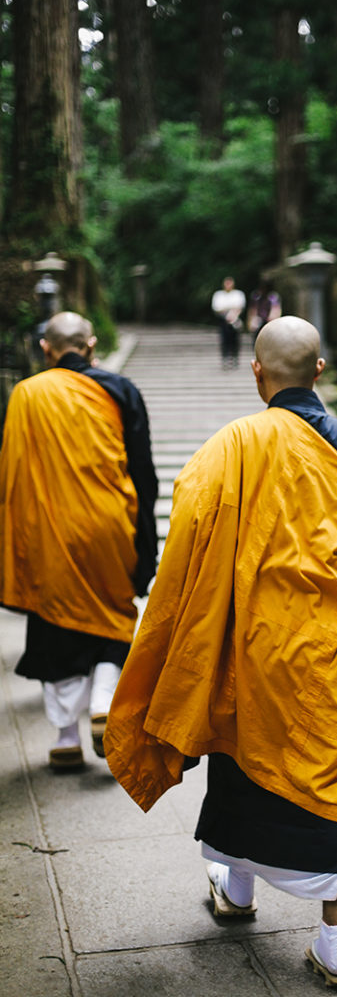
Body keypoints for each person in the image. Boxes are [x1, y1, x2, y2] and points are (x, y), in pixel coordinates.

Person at [105, 316, 337, 986]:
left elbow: (185, 549)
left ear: (257, 373)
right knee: (335, 791)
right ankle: (334, 944)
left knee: (242, 768)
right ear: (320, 369)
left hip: (245, 654)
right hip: (330, 663)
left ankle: (235, 890)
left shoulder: (228, 447)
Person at [0, 311, 158, 772]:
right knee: (114, 614)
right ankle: (103, 701)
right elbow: (143, 474)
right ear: (89, 346)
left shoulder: (26, 394)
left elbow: (12, 475)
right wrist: (144, 547)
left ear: (46, 350)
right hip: (111, 525)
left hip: (49, 527)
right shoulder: (121, 390)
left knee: (54, 623)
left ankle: (66, 737)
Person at [211, 276, 246, 367]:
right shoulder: (218, 295)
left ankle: (234, 357)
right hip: (223, 320)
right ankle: (225, 357)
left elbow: (240, 307)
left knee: (235, 339)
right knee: (224, 339)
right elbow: (217, 308)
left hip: (235, 319)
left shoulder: (238, 294)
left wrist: (233, 315)